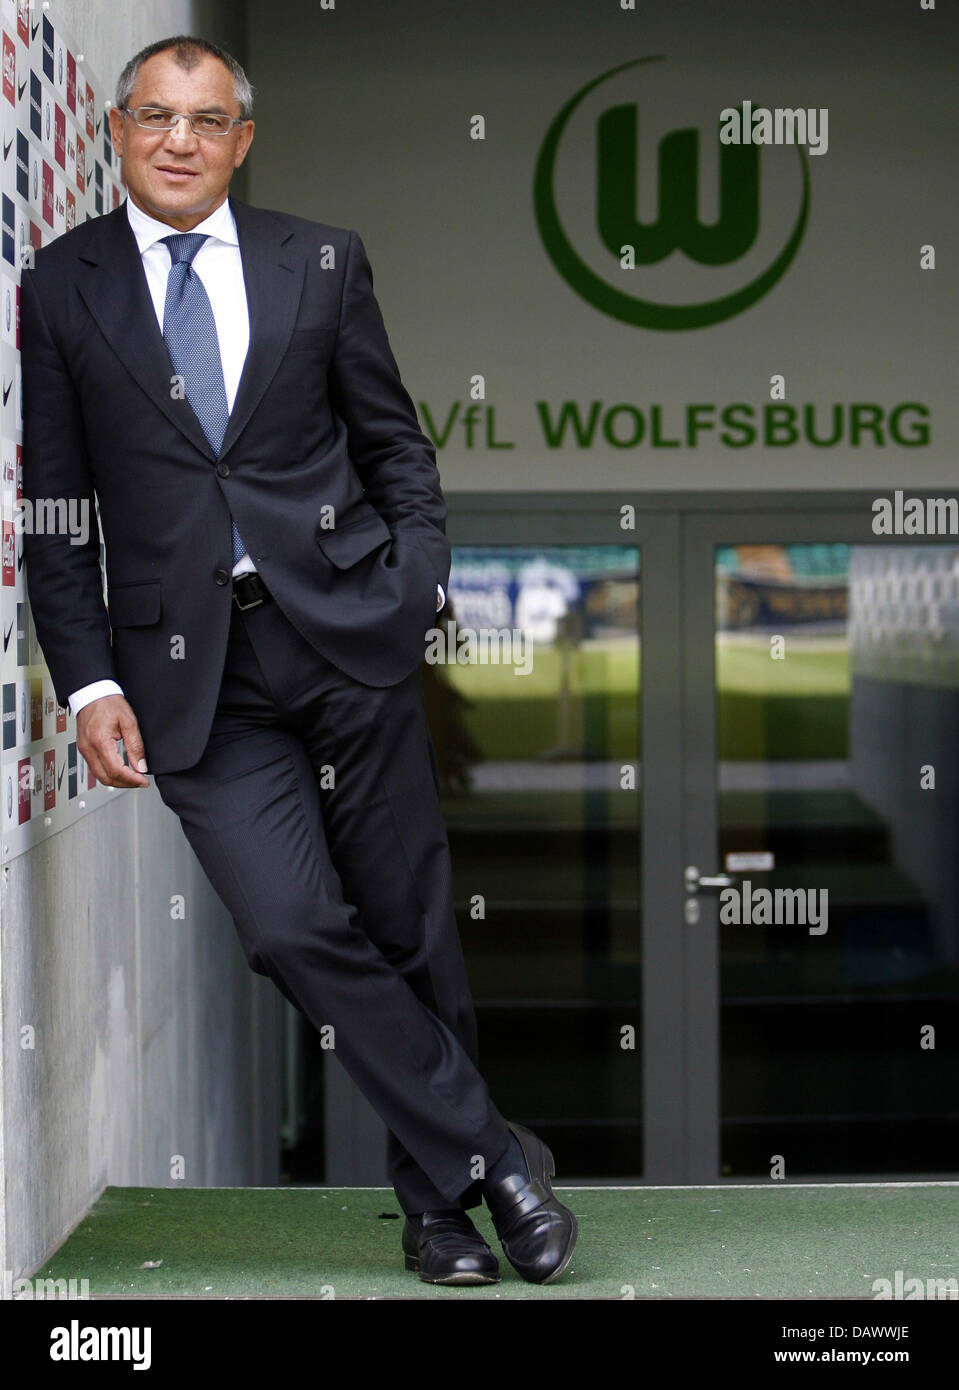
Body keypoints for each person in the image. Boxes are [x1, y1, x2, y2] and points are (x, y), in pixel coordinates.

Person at [20, 35, 577, 1287]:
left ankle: (438, 1215)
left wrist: (415, 577)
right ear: (115, 132)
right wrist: (88, 677)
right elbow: (56, 507)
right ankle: (489, 1157)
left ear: (241, 140)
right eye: (154, 117)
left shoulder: (319, 260)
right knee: (288, 924)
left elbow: (397, 444)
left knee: (409, 924)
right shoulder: (62, 288)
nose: (178, 141)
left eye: (206, 120)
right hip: (185, 673)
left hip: (345, 638)